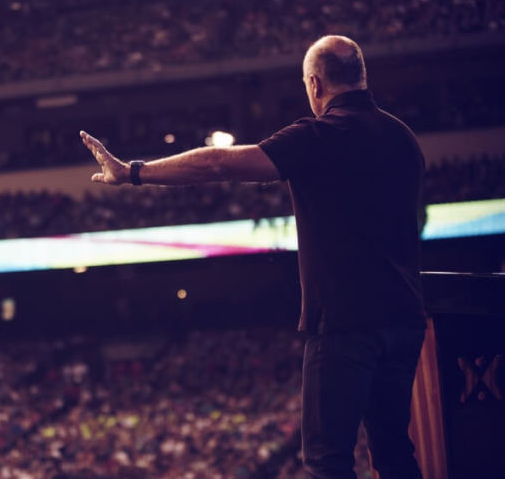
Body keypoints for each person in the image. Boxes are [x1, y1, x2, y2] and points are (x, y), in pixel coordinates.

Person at [80, 35, 427, 479]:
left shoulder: (321, 135)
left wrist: (134, 172)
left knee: (328, 459)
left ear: (315, 84)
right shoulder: (403, 137)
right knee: (395, 452)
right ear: (361, 77)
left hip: (346, 323)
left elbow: (218, 164)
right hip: (404, 318)